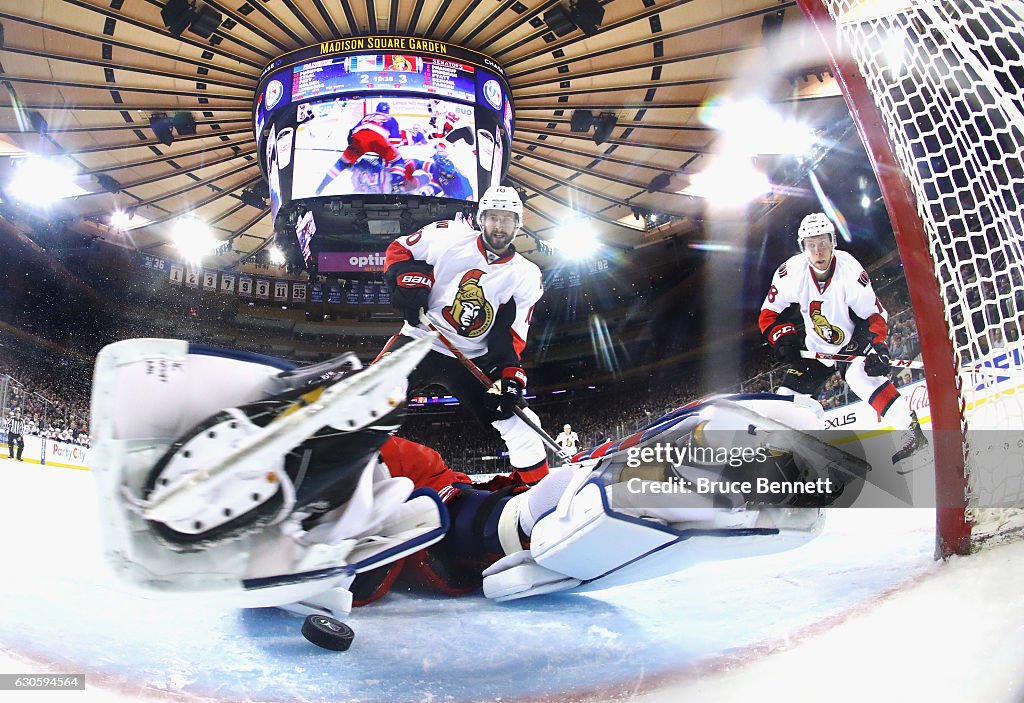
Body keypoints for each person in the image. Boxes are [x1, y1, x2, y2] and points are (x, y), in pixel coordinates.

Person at [87, 336, 831, 620]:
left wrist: (530, 490)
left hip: (434, 537)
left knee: (495, 518)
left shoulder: (407, 462)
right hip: (367, 544)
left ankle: (602, 496)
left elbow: (463, 511)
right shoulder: (395, 462)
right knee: (488, 517)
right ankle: (574, 503)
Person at [378, 185, 550, 485]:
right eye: (493, 218)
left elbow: (514, 334)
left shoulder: (527, 275)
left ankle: (541, 496)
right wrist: (405, 281)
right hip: (422, 339)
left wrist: (509, 377)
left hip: (474, 358)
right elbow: (399, 249)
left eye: (507, 219)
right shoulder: (447, 235)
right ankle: (352, 486)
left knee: (523, 423)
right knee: (371, 400)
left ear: (518, 224)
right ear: (480, 219)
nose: (499, 226)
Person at [759, 212, 927, 464]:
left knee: (860, 376)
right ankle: (790, 459)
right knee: (787, 398)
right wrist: (784, 338)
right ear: (802, 247)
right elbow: (768, 315)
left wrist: (879, 347)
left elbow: (873, 314)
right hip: (816, 345)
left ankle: (913, 435)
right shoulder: (790, 273)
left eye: (823, 243)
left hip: (852, 340)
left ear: (833, 242)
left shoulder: (849, 270)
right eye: (811, 244)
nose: (818, 251)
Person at [313, 102, 406, 195]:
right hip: (378, 139)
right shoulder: (391, 119)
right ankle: (395, 187)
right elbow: (395, 143)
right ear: (388, 110)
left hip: (358, 138)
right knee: (398, 161)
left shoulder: (367, 116)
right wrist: (385, 156)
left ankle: (321, 186)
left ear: (377, 109)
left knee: (341, 163)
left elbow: (351, 133)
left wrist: (351, 154)